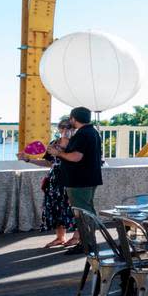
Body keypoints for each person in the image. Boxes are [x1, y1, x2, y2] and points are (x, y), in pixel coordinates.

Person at [48, 106, 103, 253]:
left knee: (82, 212)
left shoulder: (83, 134)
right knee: (88, 211)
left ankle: (87, 244)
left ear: (73, 118)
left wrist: (57, 153)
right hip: (89, 178)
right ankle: (88, 241)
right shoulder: (93, 132)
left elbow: (76, 157)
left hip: (79, 180)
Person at [19, 118, 77, 248]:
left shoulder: (76, 144)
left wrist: (61, 152)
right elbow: (48, 162)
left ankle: (77, 237)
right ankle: (60, 237)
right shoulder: (54, 143)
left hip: (70, 178)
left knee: (72, 207)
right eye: (62, 127)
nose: (65, 130)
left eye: (68, 128)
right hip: (54, 179)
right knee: (55, 207)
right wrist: (28, 160)